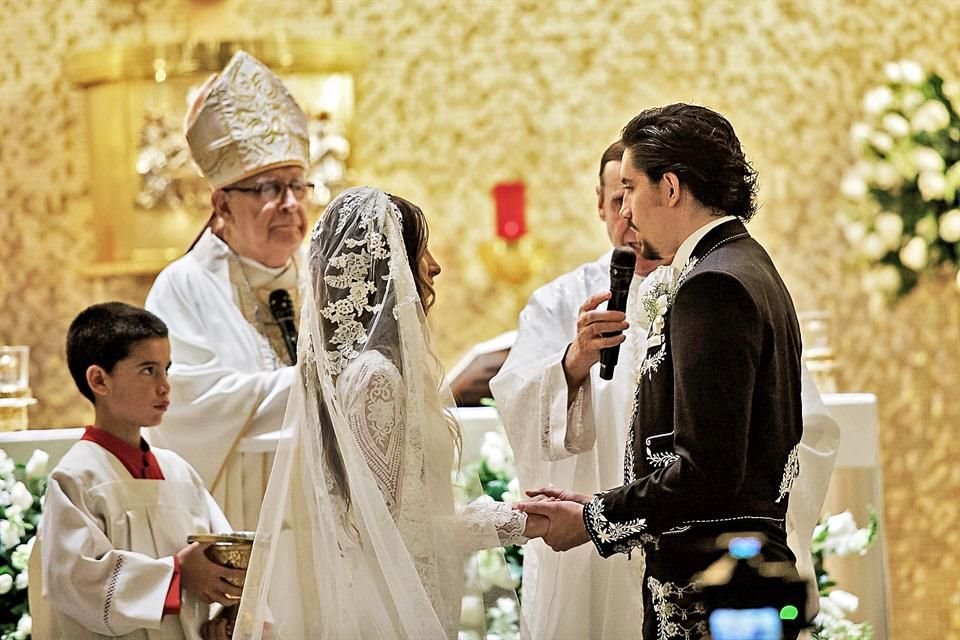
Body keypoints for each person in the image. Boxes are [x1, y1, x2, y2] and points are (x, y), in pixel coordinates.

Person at [494, 142, 839, 637]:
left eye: (633, 194)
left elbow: (779, 435)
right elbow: (515, 399)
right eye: (618, 199)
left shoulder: (711, 285)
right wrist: (572, 363)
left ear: (670, 191)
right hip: (609, 546)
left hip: (690, 546)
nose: (628, 216)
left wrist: (601, 516)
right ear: (599, 204)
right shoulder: (561, 300)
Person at [235, 187, 546, 640]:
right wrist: (517, 522)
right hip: (388, 609)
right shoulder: (375, 378)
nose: (434, 266)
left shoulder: (370, 370)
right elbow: (392, 534)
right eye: (420, 251)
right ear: (386, 267)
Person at [145, 50, 312, 529]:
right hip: (233, 523)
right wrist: (321, 385)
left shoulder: (326, 280)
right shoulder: (184, 287)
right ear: (222, 205)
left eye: (298, 185)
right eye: (269, 188)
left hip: (321, 520)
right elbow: (186, 407)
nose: (289, 203)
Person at [38, 302, 241, 640]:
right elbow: (77, 582)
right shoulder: (77, 478)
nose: (165, 386)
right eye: (148, 370)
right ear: (99, 380)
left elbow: (222, 554)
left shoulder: (179, 472)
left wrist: (228, 612)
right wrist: (177, 575)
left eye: (166, 369)